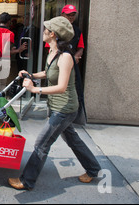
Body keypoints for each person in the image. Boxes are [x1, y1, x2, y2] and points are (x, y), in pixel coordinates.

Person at [8, 16, 101, 191]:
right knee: (73, 141)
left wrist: (35, 90)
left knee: (41, 144)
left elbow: (61, 87)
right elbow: (49, 72)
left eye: (46, 29)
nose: (43, 31)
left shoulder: (66, 57)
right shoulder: (53, 53)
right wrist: (31, 75)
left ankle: (27, 181)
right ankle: (93, 169)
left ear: (53, 34)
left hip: (64, 109)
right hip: (57, 107)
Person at [0, 12, 26, 112]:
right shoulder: (10, 34)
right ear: (9, 22)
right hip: (5, 62)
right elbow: (6, 52)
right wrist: (18, 50)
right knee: (2, 86)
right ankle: (0, 108)